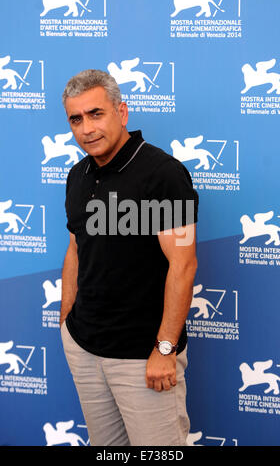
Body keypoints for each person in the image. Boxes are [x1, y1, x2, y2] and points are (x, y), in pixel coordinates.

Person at [60, 69, 198, 446]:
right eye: (76, 119)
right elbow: (76, 249)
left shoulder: (162, 174)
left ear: (121, 113)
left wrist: (165, 348)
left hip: (143, 356)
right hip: (85, 348)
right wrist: (66, 319)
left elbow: (183, 265)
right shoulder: (78, 175)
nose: (86, 128)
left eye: (96, 114)